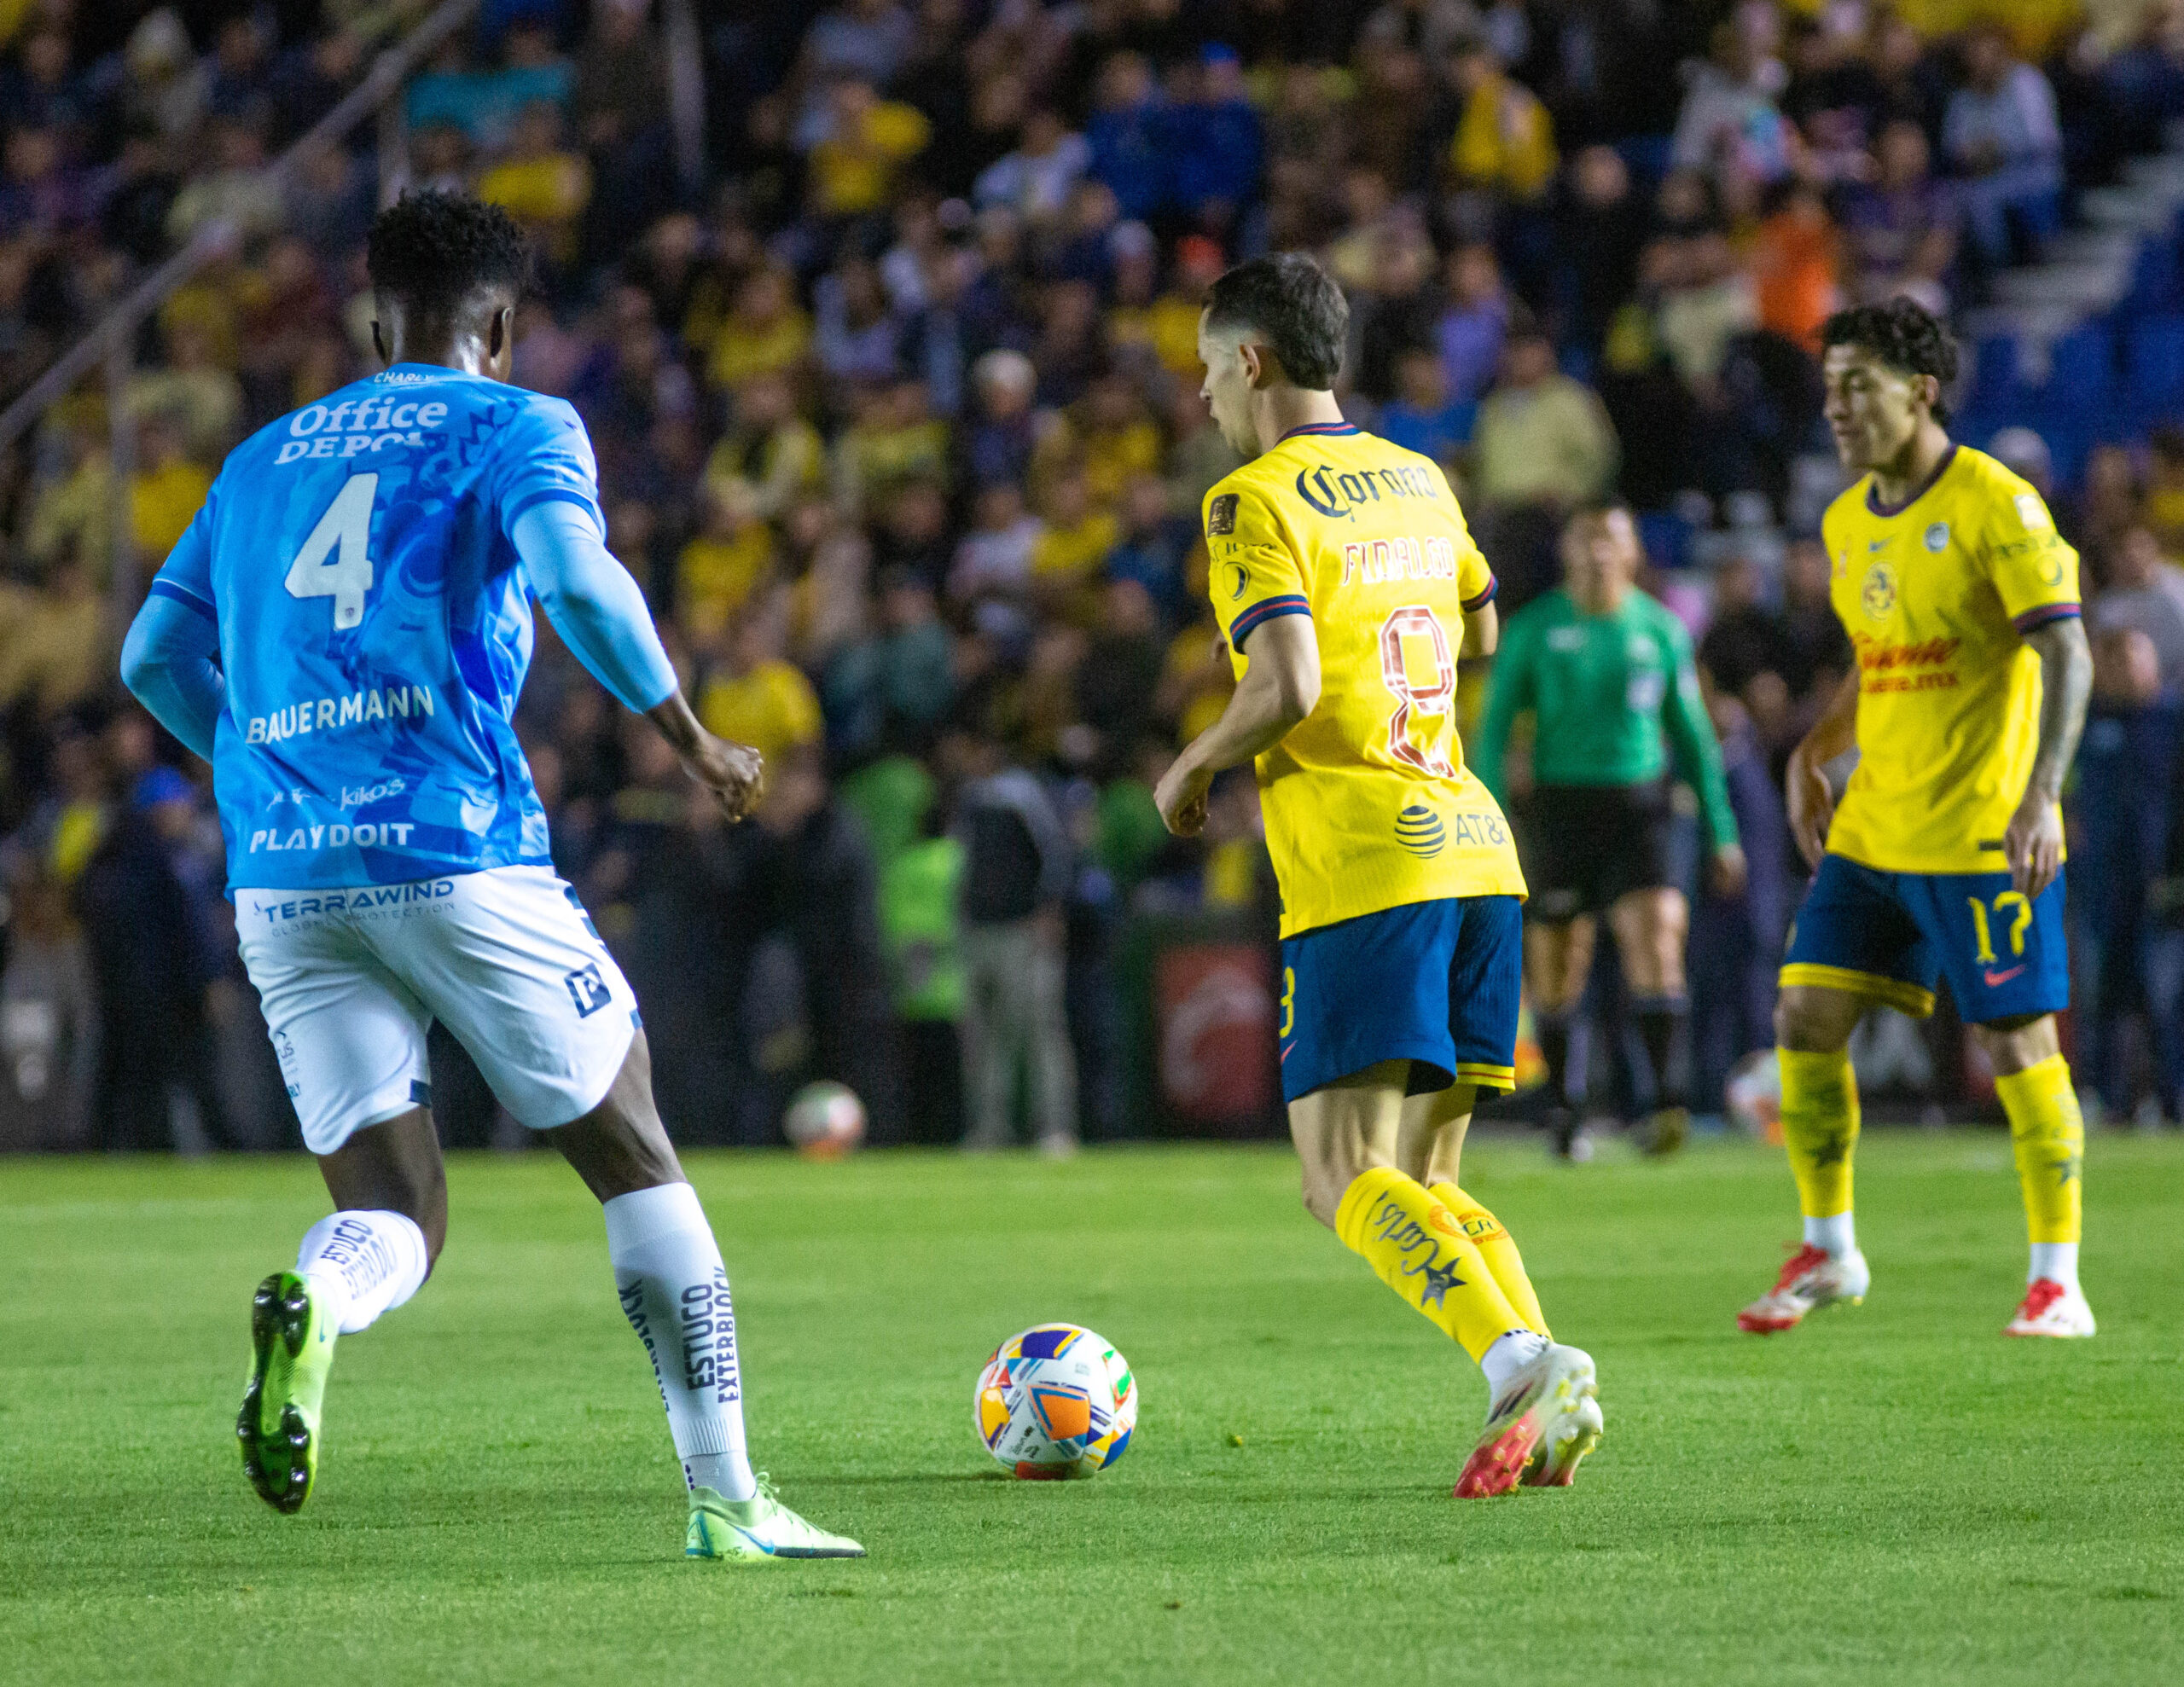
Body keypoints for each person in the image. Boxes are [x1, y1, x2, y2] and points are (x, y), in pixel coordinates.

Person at [118, 192, 861, 1560]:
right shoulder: (518, 423)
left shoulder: (260, 457)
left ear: (375, 324)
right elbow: (576, 583)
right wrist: (690, 738)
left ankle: (320, 1299)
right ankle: (728, 1499)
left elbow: (151, 660)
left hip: (284, 877)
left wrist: (263, 765)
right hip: (456, 847)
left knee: (391, 1206)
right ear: (503, 327)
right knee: (631, 1145)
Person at [1153, 252, 1602, 1498]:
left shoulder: (1250, 500)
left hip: (1365, 865)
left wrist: (1192, 764)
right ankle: (1546, 1377)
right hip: (1474, 848)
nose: (1203, 396)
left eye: (1208, 369)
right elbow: (1482, 627)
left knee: (1341, 1174)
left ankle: (1520, 1361)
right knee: (1428, 1178)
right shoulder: (1420, 476)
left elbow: (1287, 682)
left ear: (1252, 361)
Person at [1743, 299, 2094, 1340]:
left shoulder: (1997, 503)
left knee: (2015, 1045)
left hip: (1981, 828)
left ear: (1922, 392)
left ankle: (2057, 1281)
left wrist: (2042, 791)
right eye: (1830, 389)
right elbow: (1881, 657)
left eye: (1859, 387)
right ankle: (1830, 1248)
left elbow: (2066, 649)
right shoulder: (1846, 520)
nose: (1836, 408)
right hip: (1872, 827)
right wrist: (1815, 746)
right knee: (1803, 1019)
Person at [1472, 502, 1746, 1159]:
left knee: (1657, 939)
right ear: (1567, 552)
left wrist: (1722, 832)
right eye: (1586, 540)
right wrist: (1491, 820)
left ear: (1632, 553)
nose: (1598, 553)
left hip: (1640, 808)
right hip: (1561, 811)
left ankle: (1666, 1103)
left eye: (1610, 540)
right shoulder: (1535, 629)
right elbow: (1493, 732)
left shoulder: (1660, 631)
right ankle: (1566, 1110)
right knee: (1559, 963)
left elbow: (1694, 737)